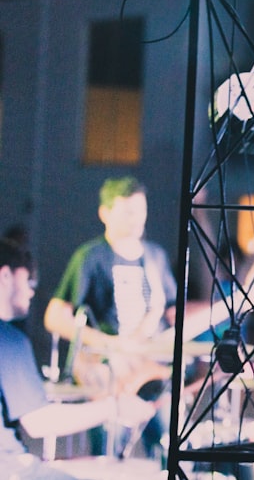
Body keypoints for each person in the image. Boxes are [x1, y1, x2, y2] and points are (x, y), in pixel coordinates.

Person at [44, 176, 177, 459]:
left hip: (150, 368)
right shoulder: (90, 257)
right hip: (108, 370)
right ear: (105, 213)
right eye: (128, 211)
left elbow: (171, 311)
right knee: (109, 448)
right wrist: (107, 343)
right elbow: (55, 316)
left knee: (166, 441)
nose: (136, 219)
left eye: (141, 210)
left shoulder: (156, 257)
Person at [0, 238, 154, 480]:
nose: (32, 290)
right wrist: (114, 407)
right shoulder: (8, 340)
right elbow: (39, 422)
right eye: (28, 279)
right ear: (5, 275)